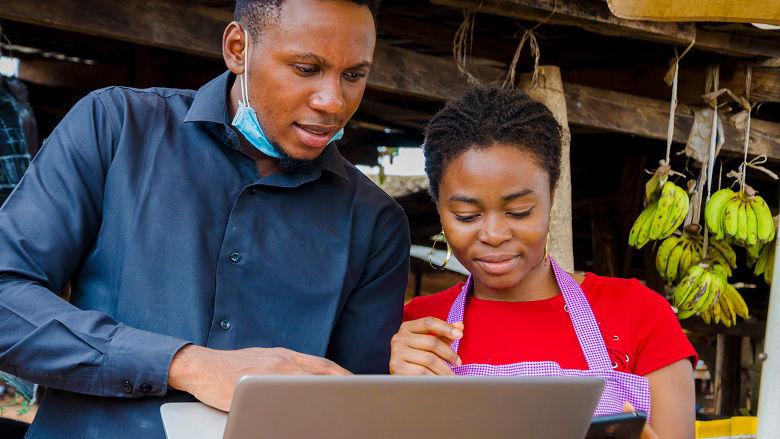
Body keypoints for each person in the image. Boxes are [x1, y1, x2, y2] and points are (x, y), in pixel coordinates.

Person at [0, 0, 410, 438]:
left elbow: (355, 408)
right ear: (238, 49)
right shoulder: (117, 127)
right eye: (306, 68)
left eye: (353, 75)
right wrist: (186, 364)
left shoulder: (376, 223)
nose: (333, 101)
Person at [390, 86, 696, 439]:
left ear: (552, 196)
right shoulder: (418, 331)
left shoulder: (638, 314)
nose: (493, 234)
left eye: (519, 211)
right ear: (439, 209)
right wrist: (391, 387)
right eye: (466, 215)